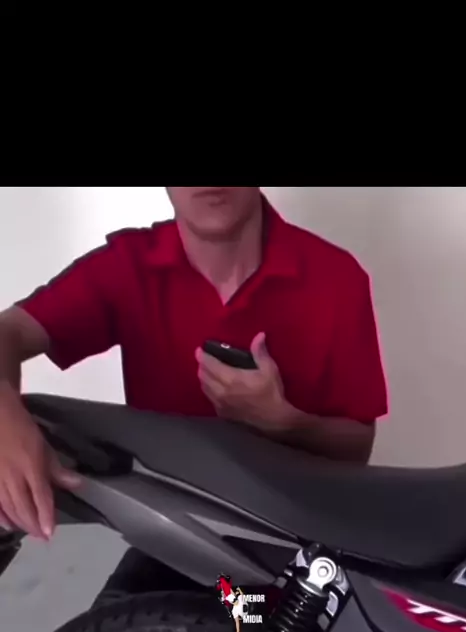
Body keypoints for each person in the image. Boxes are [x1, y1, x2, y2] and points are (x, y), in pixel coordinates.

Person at [0, 187, 387, 597]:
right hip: (177, 547)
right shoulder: (130, 265)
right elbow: (9, 331)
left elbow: (356, 449)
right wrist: (5, 417)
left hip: (299, 560)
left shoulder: (336, 277)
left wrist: (283, 423)